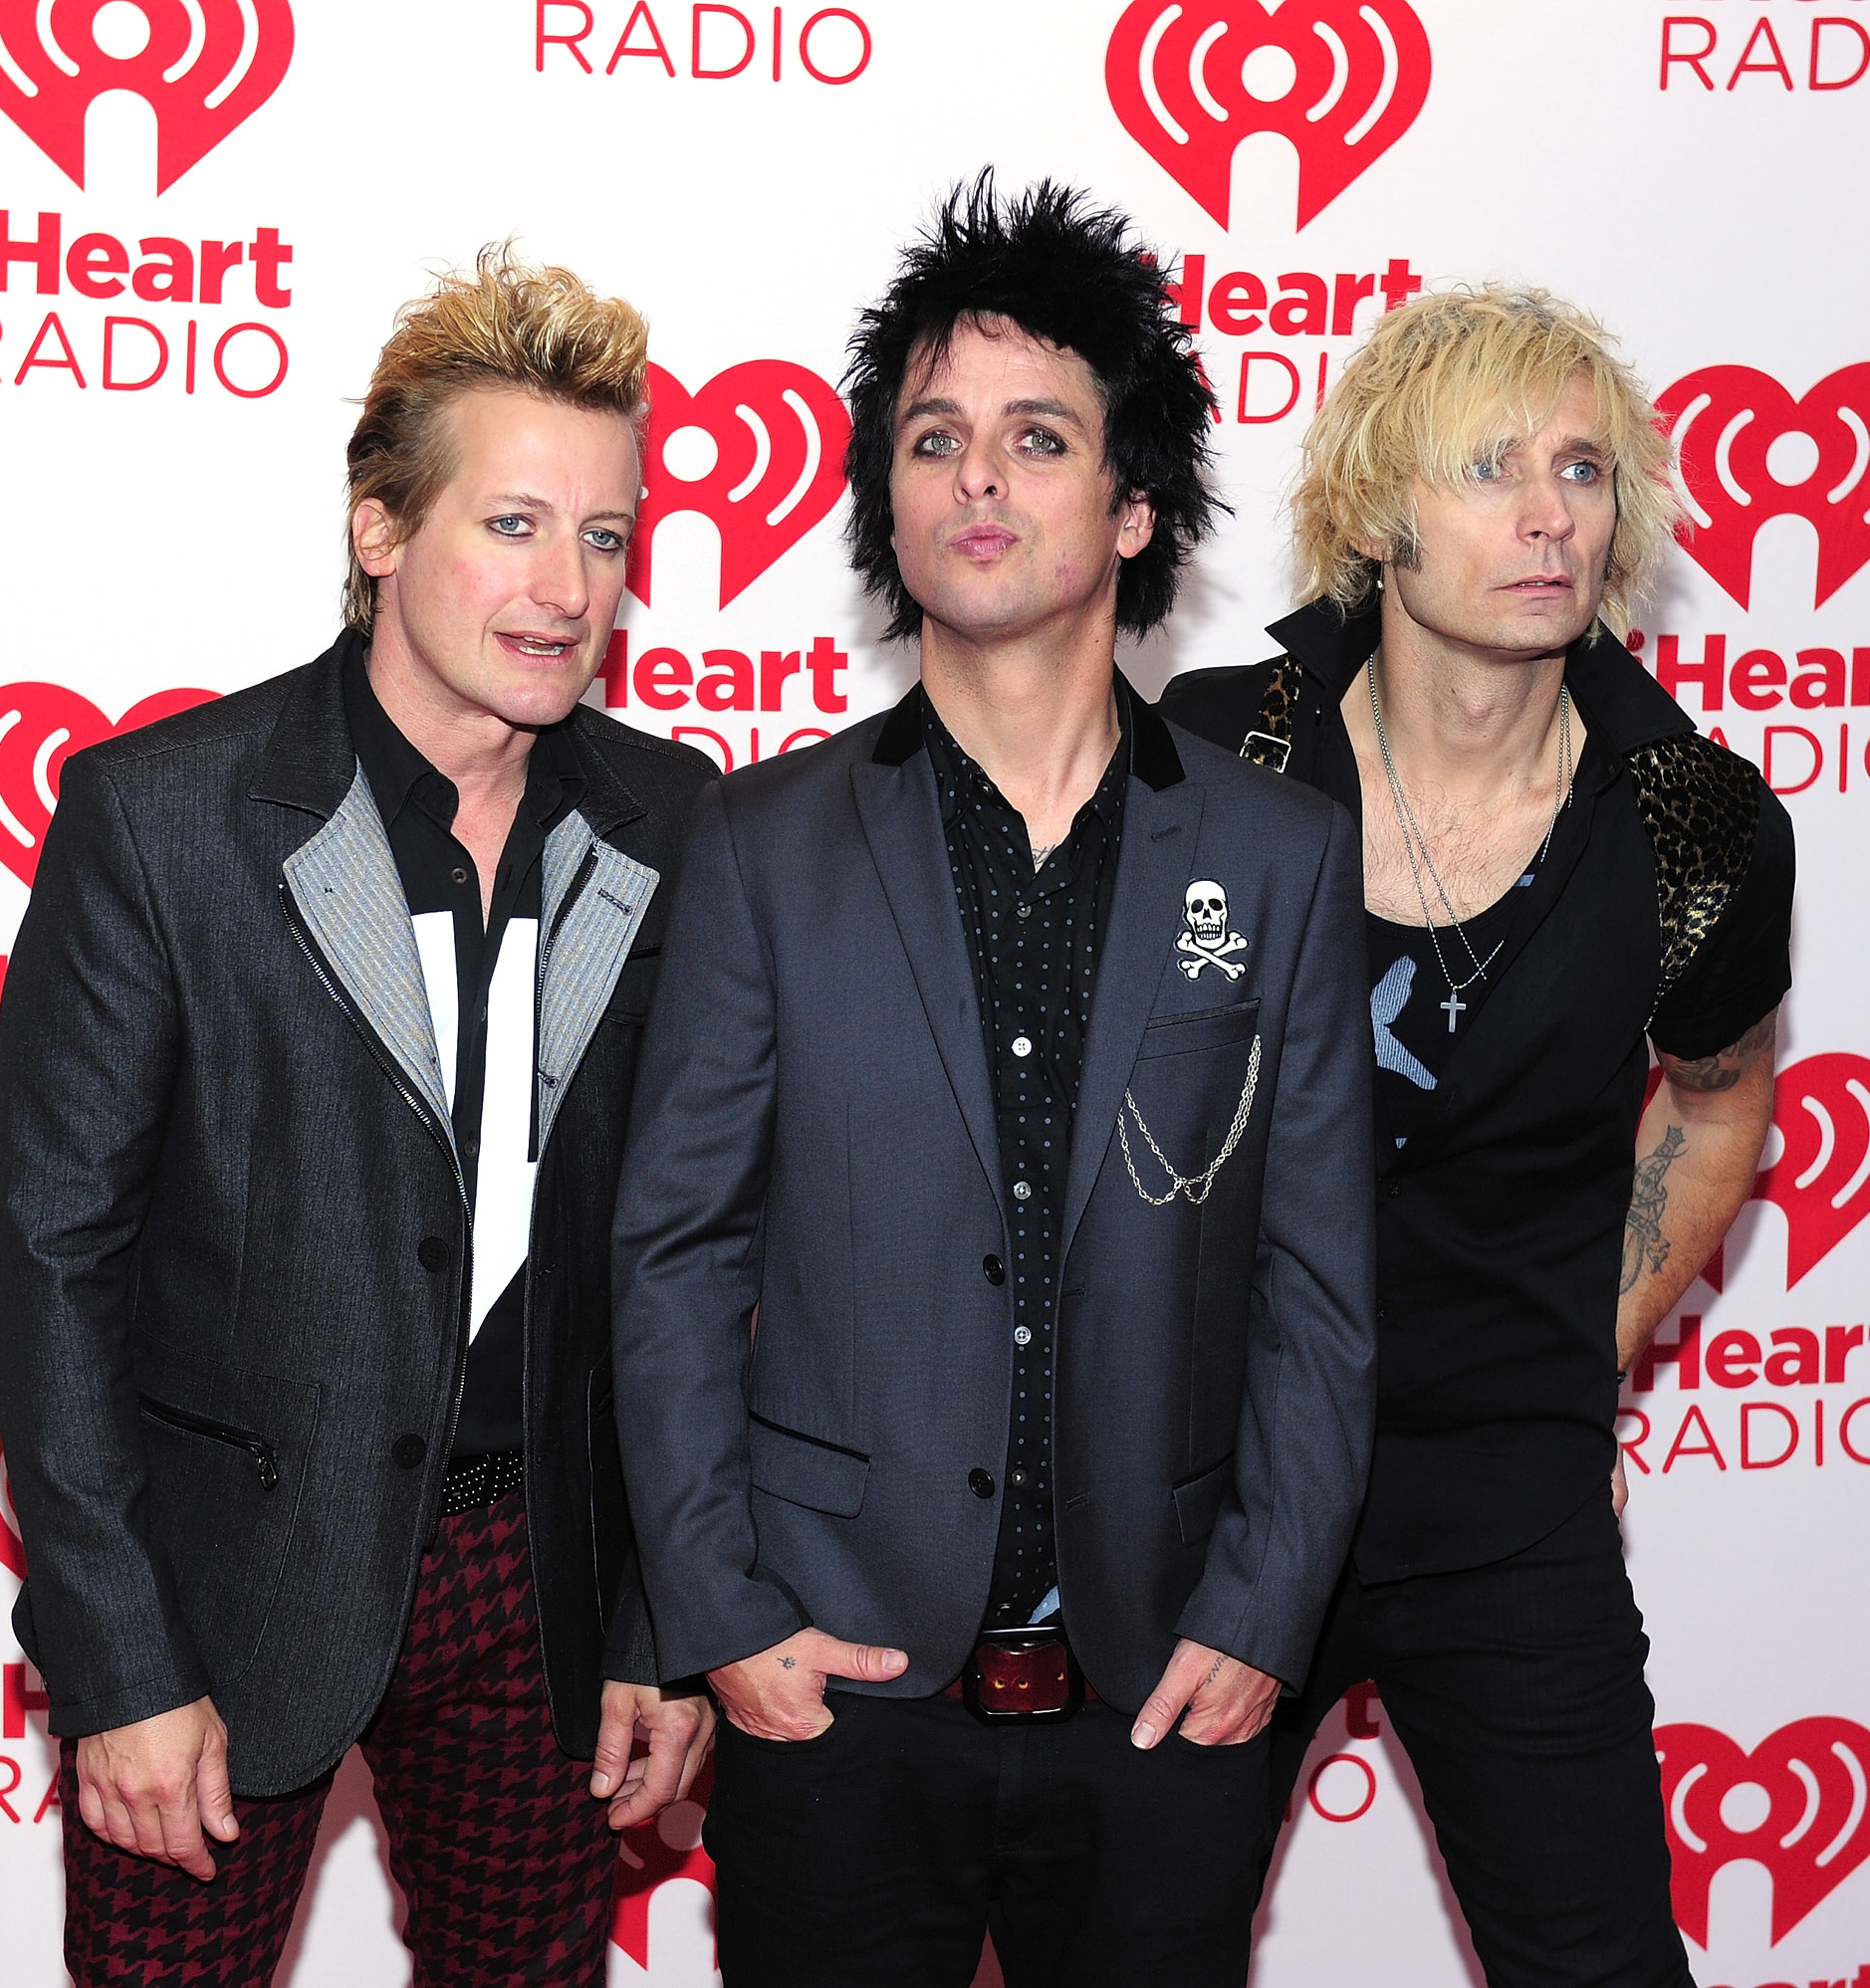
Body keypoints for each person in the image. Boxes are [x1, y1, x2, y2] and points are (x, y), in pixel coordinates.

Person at [610, 175, 1379, 1988]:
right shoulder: (759, 842)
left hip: (1167, 1695)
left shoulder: (1276, 858)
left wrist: (1265, 1619)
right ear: (888, 496)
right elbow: (674, 1260)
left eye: (1037, 439)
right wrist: (725, 1615)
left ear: (1130, 508)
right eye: (935, 437)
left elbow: (1322, 1292)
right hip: (834, 1700)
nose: (976, 477)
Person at [0, 248, 717, 1987]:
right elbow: (53, 1262)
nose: (567, 587)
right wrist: (119, 1660)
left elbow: (698, 1260)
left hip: (546, 1591)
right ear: (382, 528)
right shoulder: (166, 819)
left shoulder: (676, 820)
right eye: (515, 524)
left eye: (605, 537)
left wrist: (661, 1624)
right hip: (225, 1591)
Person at [1162, 283, 1794, 1987]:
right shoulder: (1222, 751)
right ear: (1378, 516)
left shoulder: (1694, 818)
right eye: (1491, 465)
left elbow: (1723, 1096)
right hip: (1216, 1480)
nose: (1547, 512)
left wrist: (1576, 1350)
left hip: (1504, 1497)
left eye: (1584, 470)